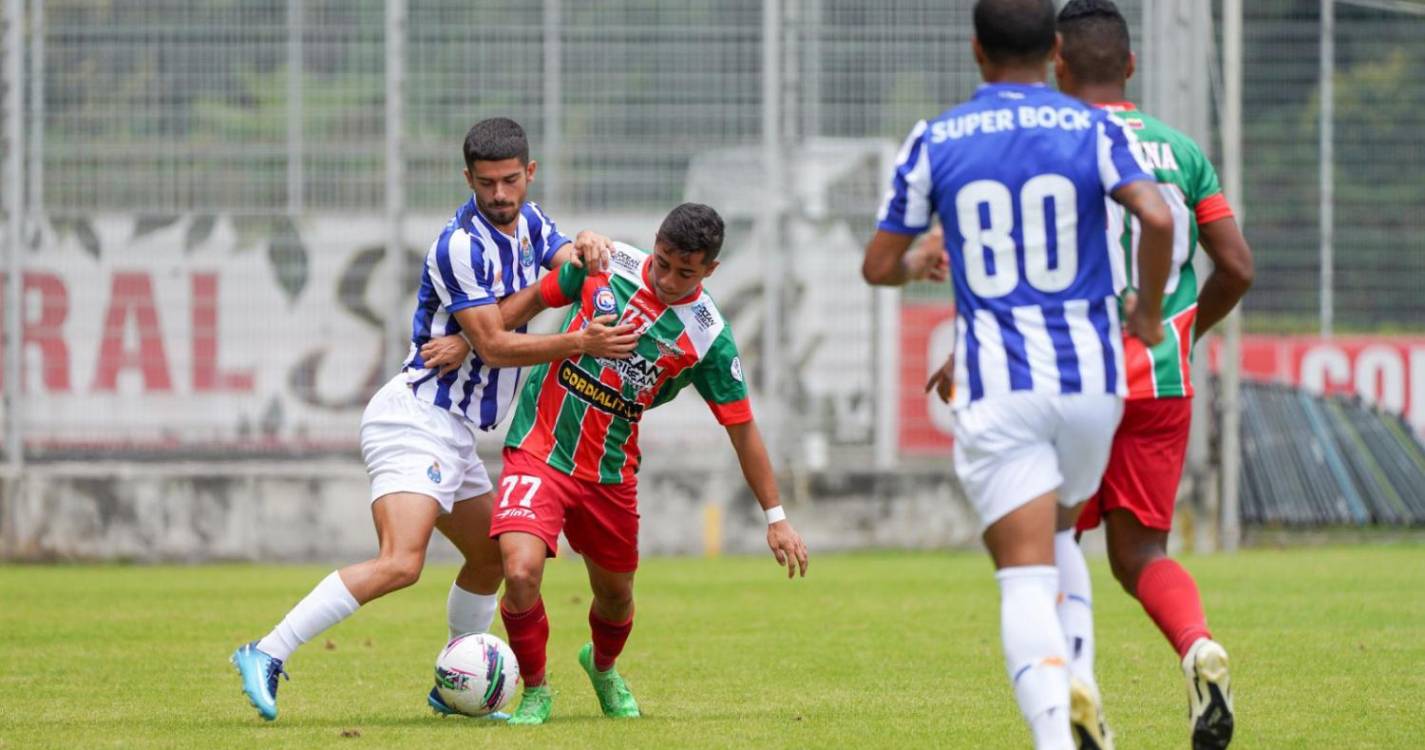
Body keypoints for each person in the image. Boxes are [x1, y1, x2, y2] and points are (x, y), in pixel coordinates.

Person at [231, 117, 638, 721]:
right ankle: (266, 650)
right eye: (485, 183)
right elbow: (498, 343)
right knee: (401, 562)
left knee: (490, 561)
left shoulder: (529, 222)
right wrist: (578, 343)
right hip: (415, 419)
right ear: (467, 178)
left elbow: (564, 268)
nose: (499, 195)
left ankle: (454, 682)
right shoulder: (457, 246)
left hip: (453, 433)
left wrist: (586, 240)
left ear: (529, 174)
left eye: (509, 181)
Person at [863, 1, 1176, 748]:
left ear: (976, 50)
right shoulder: (1095, 128)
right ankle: (1082, 683)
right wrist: (1146, 316)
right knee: (1062, 528)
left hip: (1000, 383)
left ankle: (1053, 731)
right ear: (1055, 50)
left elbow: (879, 266)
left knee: (1022, 571)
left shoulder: (936, 138)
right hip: (1091, 385)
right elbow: (1158, 220)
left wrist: (922, 259)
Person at [428, 202, 810, 726]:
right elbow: (537, 297)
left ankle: (603, 667)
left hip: (610, 472)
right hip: (538, 448)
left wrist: (776, 517)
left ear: (710, 271)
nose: (670, 279)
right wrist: (470, 339)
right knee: (518, 571)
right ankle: (536, 690)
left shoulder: (707, 337)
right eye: (663, 262)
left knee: (615, 596)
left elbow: (741, 428)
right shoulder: (604, 264)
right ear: (654, 242)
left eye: (686, 272)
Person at [1055, 3, 1253, 747]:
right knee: (1140, 554)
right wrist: (1184, 328)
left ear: (1058, 64)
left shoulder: (1053, 146)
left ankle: (1076, 685)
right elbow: (1236, 267)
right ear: (1130, 66)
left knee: (1045, 544)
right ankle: (1197, 646)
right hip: (1162, 378)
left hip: (1070, 377)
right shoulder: (1179, 150)